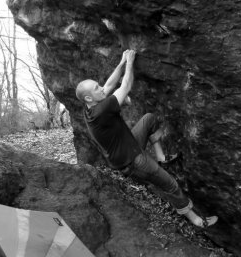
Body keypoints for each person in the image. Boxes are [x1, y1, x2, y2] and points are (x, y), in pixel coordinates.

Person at [76, 50, 218, 228]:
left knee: (149, 119)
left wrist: (120, 63)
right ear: (89, 97)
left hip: (129, 147)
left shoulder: (90, 107)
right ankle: (196, 220)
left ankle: (161, 157)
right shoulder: (101, 110)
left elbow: (109, 85)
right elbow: (125, 86)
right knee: (170, 184)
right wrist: (130, 62)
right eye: (96, 88)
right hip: (133, 161)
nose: (101, 88)